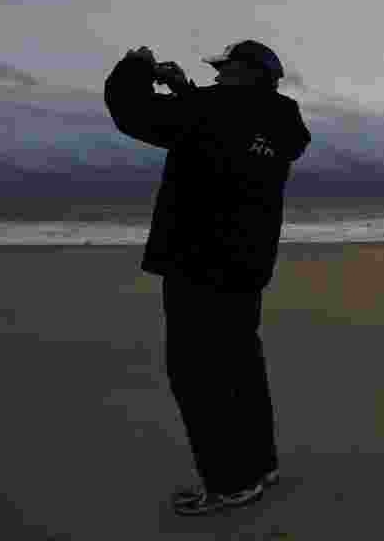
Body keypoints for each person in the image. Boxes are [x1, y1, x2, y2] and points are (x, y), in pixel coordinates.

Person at [104, 39, 311, 516]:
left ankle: (230, 481)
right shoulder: (279, 121)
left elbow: (131, 111)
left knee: (199, 374)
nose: (218, 75)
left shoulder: (212, 111)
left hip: (197, 262)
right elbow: (226, 134)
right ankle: (258, 466)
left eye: (224, 69)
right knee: (240, 365)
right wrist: (188, 91)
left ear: (247, 72)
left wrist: (136, 66)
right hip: (247, 264)